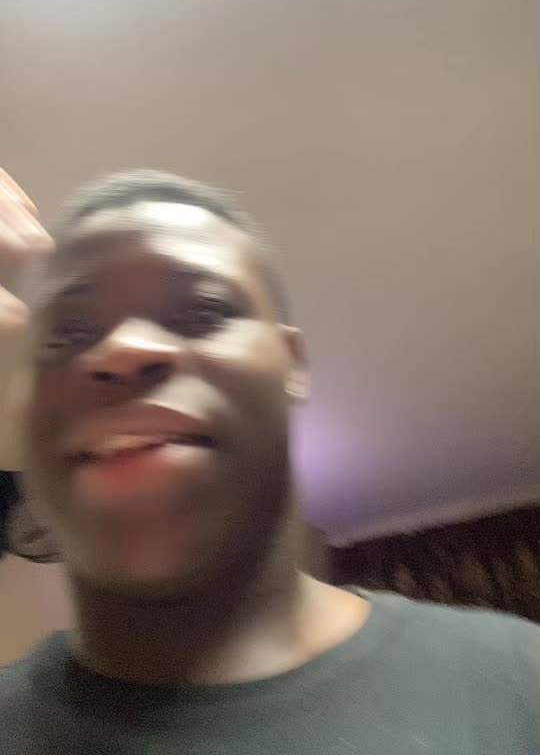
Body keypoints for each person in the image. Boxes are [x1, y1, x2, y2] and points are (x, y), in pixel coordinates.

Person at [0, 166, 537, 754]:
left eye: (203, 312)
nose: (124, 348)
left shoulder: (519, 683)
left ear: (291, 363)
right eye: (67, 333)